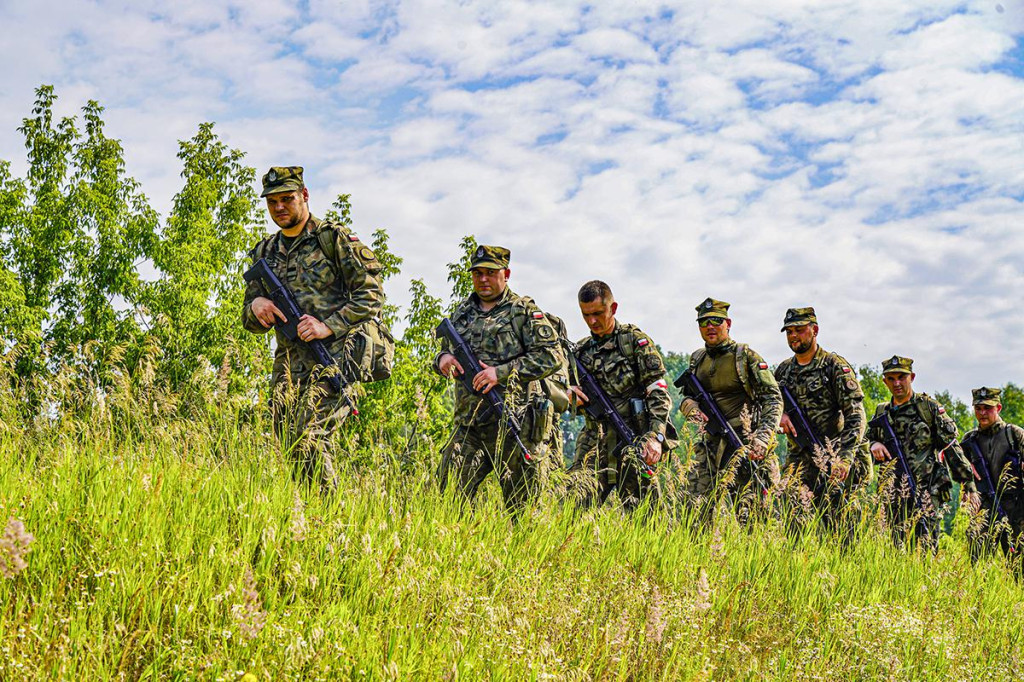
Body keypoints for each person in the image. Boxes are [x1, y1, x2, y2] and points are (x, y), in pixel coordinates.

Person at [242, 166, 388, 494]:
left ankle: (325, 523)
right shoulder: (265, 252)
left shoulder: (332, 238)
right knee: (290, 445)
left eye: (287, 199)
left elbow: (372, 294)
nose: (279, 207)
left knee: (308, 438)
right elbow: (249, 317)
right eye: (272, 202)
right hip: (289, 365)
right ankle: (308, 518)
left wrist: (327, 326)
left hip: (335, 357)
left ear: (304, 196)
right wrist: (256, 308)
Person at [434, 245, 561, 514]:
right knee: (446, 501)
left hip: (514, 425)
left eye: (490, 273)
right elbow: (444, 350)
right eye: (478, 273)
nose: (483, 279)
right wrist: (442, 360)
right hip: (469, 425)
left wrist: (500, 373)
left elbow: (552, 356)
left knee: (524, 513)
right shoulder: (462, 314)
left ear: (506, 274)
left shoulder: (522, 311)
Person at [566, 280, 676, 510]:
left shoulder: (634, 342)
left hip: (634, 438)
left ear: (613, 308)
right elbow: (559, 388)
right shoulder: (579, 353)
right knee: (573, 514)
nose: (592, 321)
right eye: (586, 315)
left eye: (598, 313)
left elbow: (658, 391)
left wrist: (655, 438)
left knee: (647, 520)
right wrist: (568, 394)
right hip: (594, 443)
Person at [679, 298, 782, 518]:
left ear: (728, 323)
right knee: (694, 515)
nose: (710, 327)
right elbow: (686, 398)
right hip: (709, 447)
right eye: (703, 322)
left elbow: (773, 399)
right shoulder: (697, 359)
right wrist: (690, 407)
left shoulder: (745, 357)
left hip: (745, 444)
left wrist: (763, 438)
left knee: (752, 519)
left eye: (716, 320)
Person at [774, 307, 870, 534]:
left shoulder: (834, 366)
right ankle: (797, 566)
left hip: (834, 454)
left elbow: (856, 415)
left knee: (840, 529)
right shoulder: (784, 371)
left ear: (814, 330)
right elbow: (768, 406)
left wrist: (844, 459)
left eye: (799, 329)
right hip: (799, 458)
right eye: (789, 331)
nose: (793, 336)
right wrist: (781, 415)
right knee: (791, 520)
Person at [866, 356, 978, 550]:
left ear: (912, 377)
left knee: (926, 547)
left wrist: (968, 485)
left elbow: (951, 447)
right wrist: (873, 444)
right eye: (891, 379)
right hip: (894, 492)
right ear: (884, 381)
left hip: (927, 491)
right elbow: (865, 439)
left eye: (902, 377)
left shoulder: (928, 408)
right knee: (896, 549)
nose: (897, 383)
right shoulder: (882, 411)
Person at [960, 386, 1024, 566]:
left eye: (987, 408)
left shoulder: (1014, 434)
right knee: (977, 564)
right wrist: (967, 488)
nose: (982, 413)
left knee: (1019, 567)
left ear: (998, 408)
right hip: (983, 510)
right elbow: (959, 470)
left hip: (1015, 509)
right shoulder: (969, 440)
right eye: (978, 408)